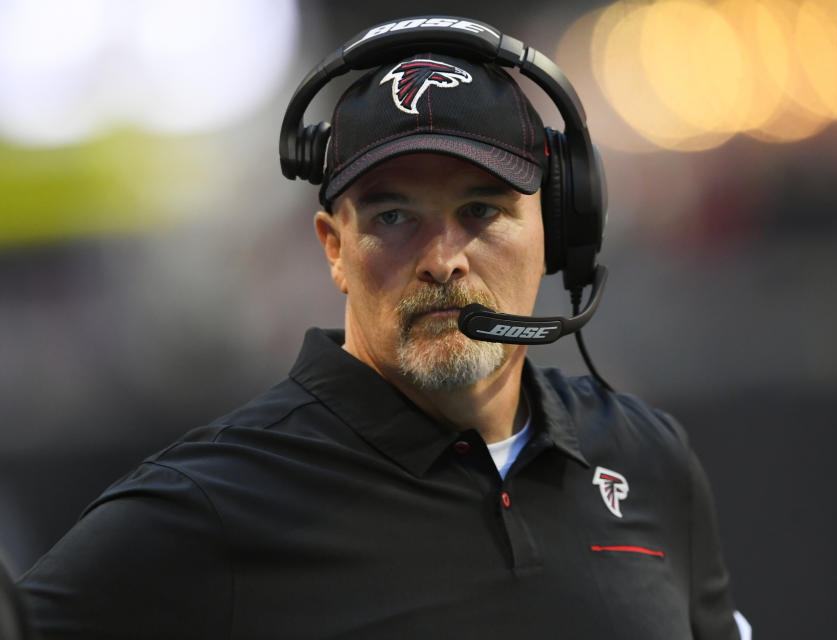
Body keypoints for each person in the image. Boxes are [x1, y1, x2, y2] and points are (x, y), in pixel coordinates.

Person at [17, 21, 749, 640]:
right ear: (334, 248)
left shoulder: (647, 457)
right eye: (394, 217)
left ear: (556, 232)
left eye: (481, 212)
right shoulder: (210, 504)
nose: (442, 261)